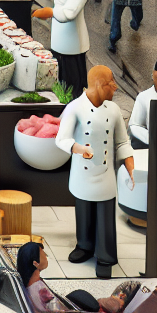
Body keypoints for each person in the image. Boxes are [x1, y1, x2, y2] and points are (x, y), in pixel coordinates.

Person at [57, 66, 136, 279]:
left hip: (105, 174)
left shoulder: (114, 111)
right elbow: (61, 139)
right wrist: (80, 149)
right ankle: (84, 246)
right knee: (83, 211)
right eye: (112, 82)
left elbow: (122, 141)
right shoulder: (75, 108)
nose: (115, 87)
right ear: (100, 85)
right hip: (82, 174)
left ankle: (106, 257)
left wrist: (130, 164)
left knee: (105, 216)